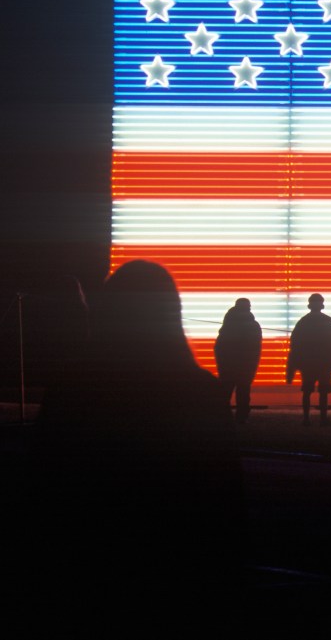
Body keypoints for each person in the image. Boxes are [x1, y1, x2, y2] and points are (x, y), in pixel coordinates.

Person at [30, 260, 245, 614]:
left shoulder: (74, 387)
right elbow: (224, 497)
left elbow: (44, 485)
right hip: (180, 577)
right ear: (170, 314)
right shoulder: (200, 392)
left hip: (86, 576)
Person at [285, 292, 331, 425]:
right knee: (323, 392)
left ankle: (306, 418)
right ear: (322, 305)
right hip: (325, 364)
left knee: (306, 391)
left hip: (307, 364)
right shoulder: (329, 322)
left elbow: (294, 347)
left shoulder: (303, 322)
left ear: (309, 305)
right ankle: (323, 418)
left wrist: (290, 371)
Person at [215, 297, 262, 423]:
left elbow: (219, 347)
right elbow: (256, 348)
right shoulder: (253, 326)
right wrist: (253, 365)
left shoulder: (228, 326)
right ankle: (241, 417)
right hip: (246, 366)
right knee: (243, 392)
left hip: (228, 365)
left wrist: (221, 364)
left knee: (226, 391)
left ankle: (223, 416)